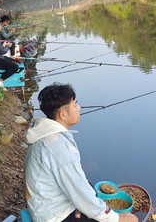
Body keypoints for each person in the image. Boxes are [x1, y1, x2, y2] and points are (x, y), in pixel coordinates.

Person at [25, 83, 138, 222]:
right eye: (75, 105)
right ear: (63, 114)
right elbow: (81, 195)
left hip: (43, 203)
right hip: (54, 216)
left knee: (89, 188)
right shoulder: (57, 147)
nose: (79, 108)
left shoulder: (46, 133)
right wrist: (117, 218)